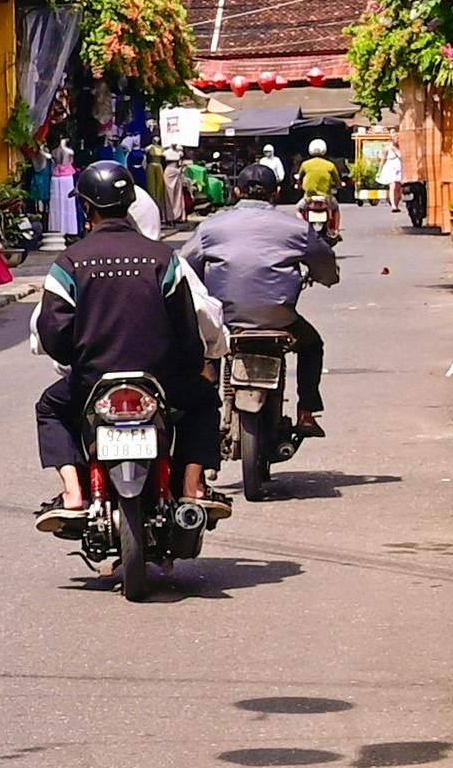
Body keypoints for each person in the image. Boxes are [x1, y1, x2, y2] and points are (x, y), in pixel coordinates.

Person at [31, 158, 226, 528]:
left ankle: (73, 494)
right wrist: (190, 367)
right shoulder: (163, 258)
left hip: (92, 384)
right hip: (162, 383)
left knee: (49, 407)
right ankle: (191, 487)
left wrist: (79, 359)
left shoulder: (68, 263)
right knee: (203, 400)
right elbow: (187, 329)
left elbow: (53, 333)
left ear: (87, 207)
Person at [191, 155, 339, 437]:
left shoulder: (210, 227)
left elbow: (187, 265)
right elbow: (325, 263)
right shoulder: (296, 228)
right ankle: (306, 412)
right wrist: (326, 278)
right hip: (280, 318)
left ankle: (202, 416)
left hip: (226, 320)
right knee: (311, 346)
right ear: (276, 194)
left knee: (208, 350)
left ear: (237, 192)